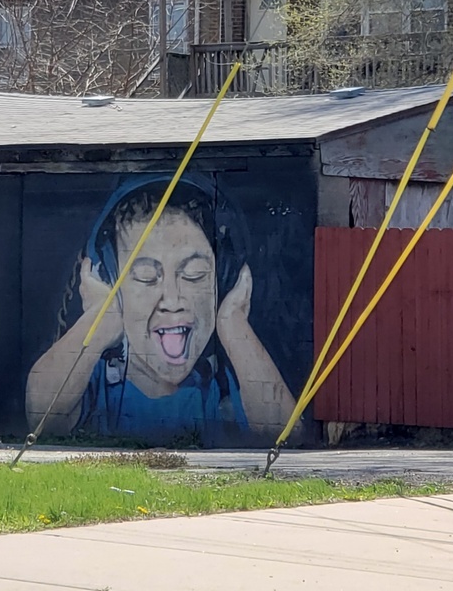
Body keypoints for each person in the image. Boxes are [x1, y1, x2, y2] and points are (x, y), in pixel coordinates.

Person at [25, 176, 295, 444]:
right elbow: (41, 418)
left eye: (194, 274)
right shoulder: (93, 382)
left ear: (222, 280)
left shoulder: (225, 385)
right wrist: (101, 318)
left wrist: (232, 322)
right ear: (110, 282)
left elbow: (285, 433)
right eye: (145, 277)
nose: (172, 299)